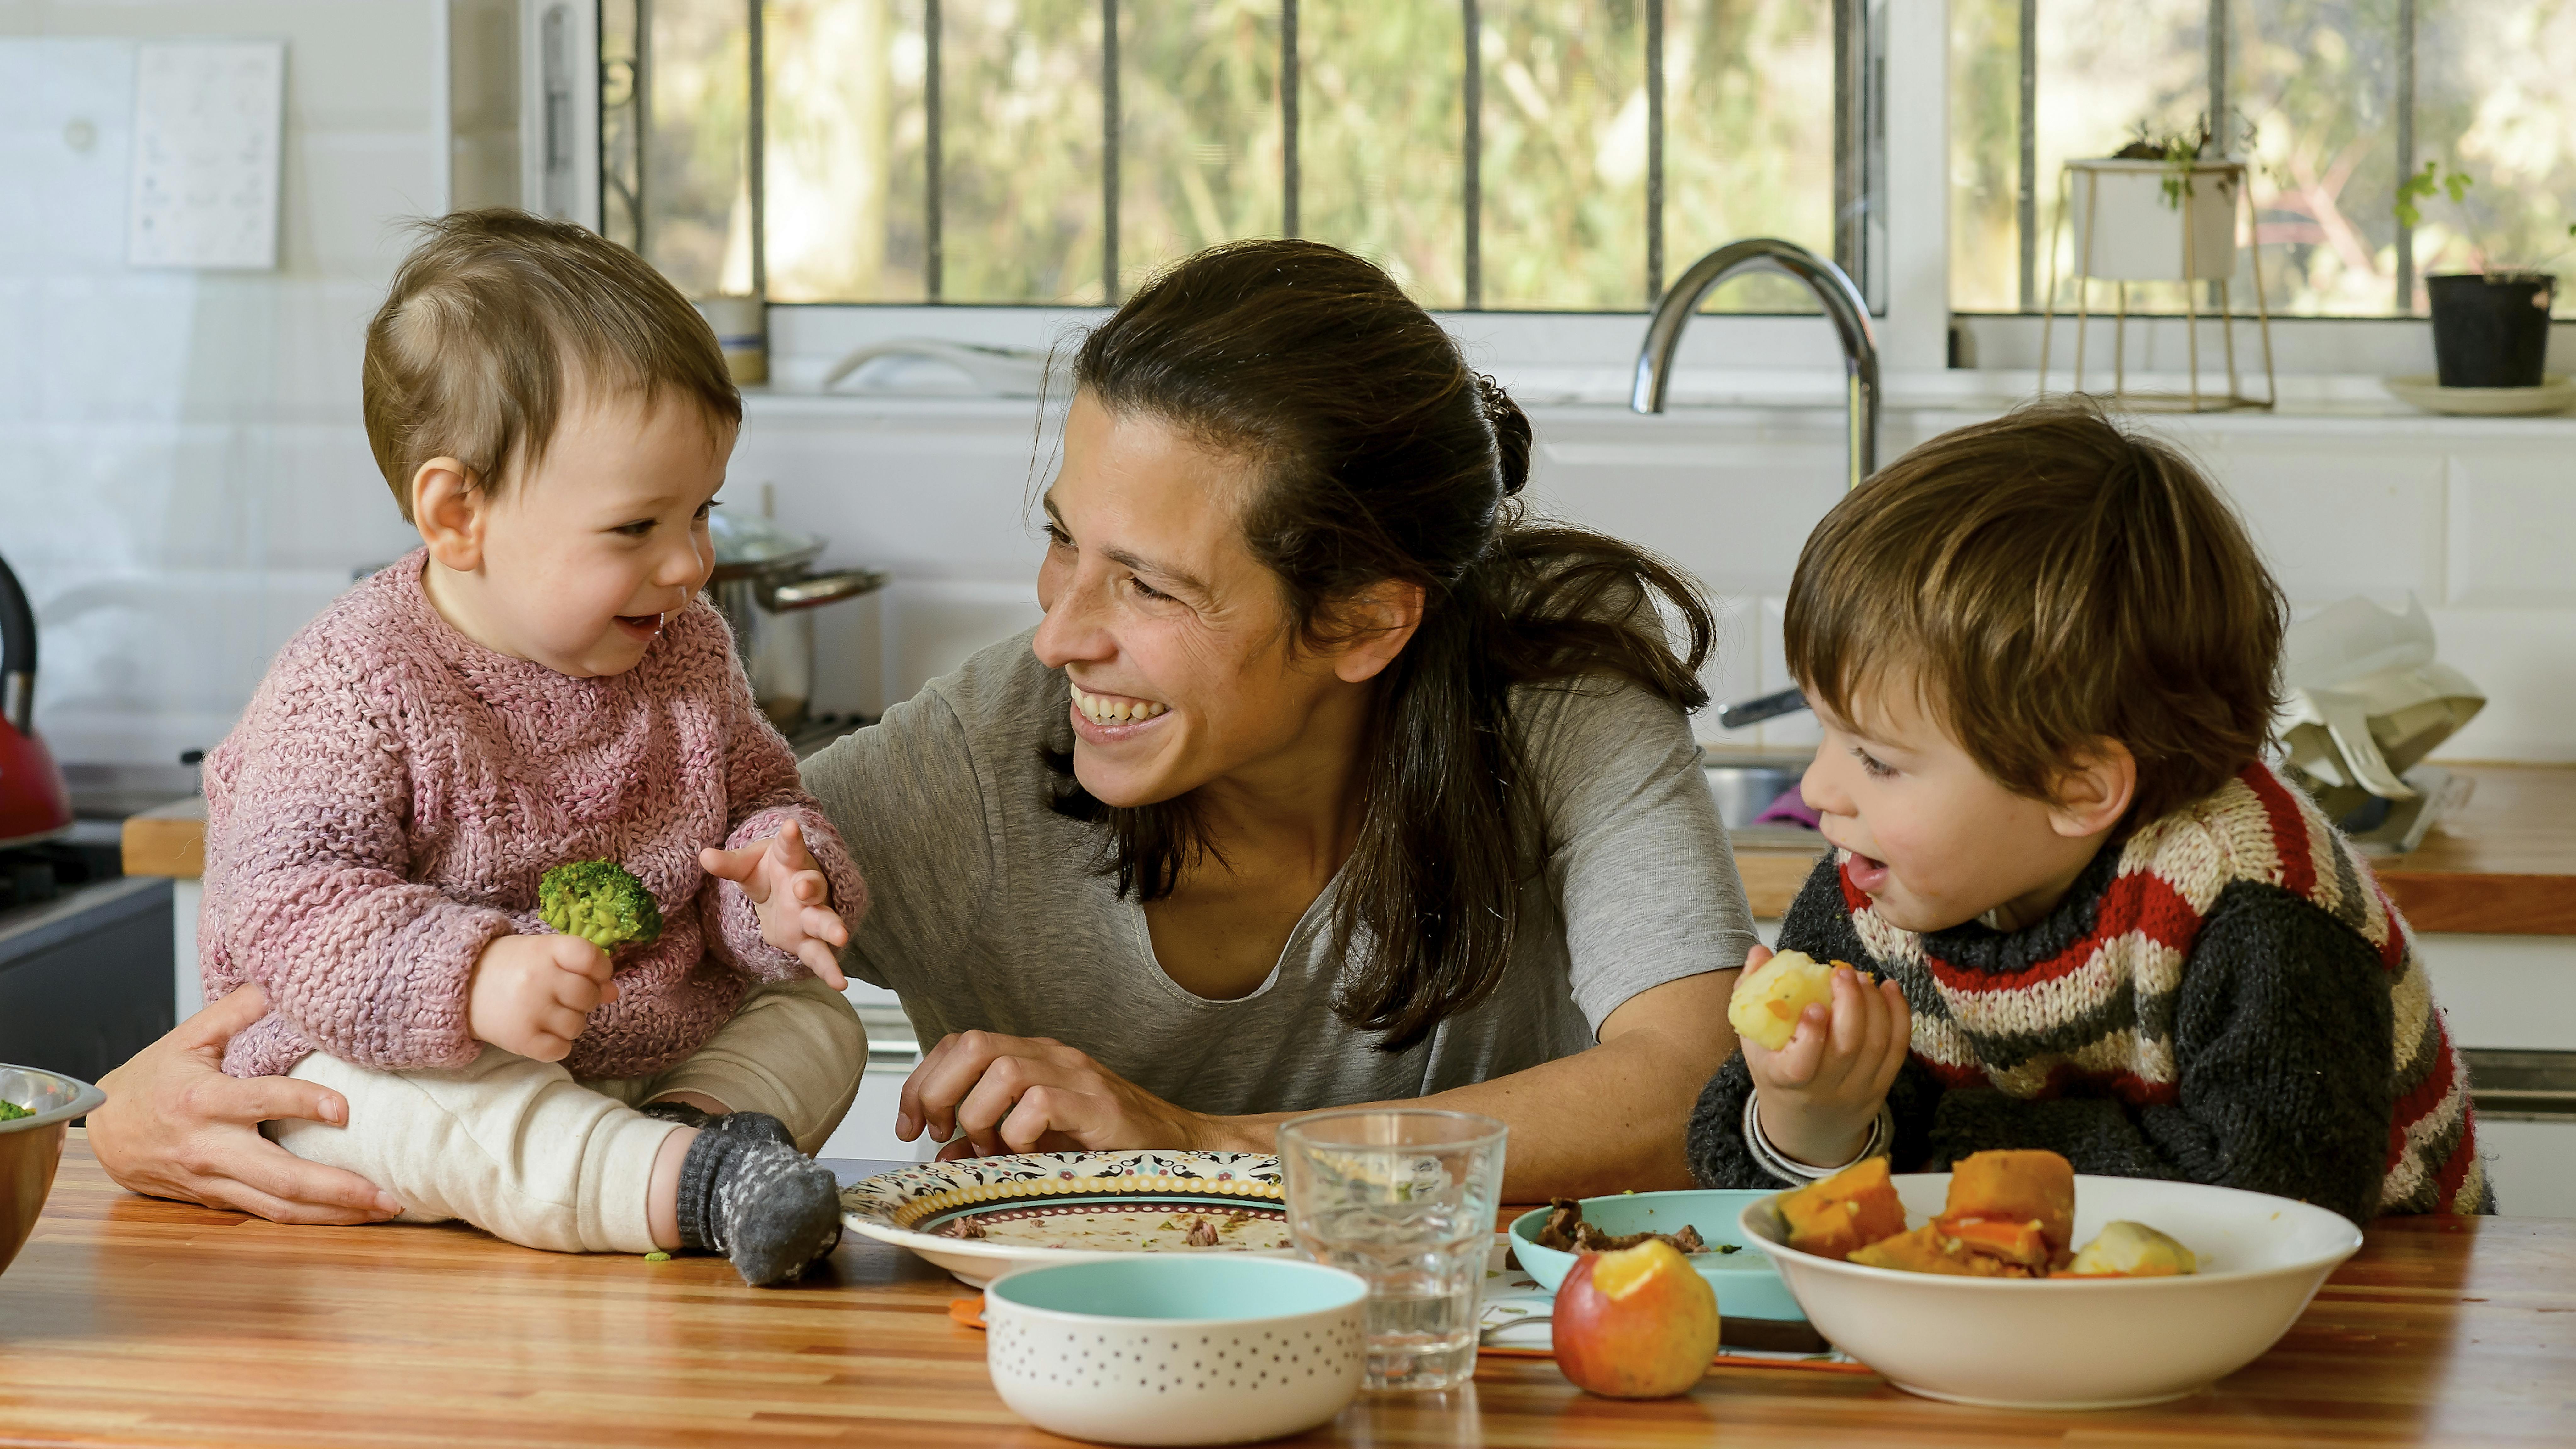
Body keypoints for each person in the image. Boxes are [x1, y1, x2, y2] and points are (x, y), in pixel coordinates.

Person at [94, 237, 1757, 1214]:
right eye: (1063, 539)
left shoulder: (1563, 717)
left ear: (1364, 622)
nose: (1061, 633)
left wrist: (1198, 1148)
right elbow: (681, 881)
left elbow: (1679, 1090)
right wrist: (134, 1115)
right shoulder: (991, 753)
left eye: (1151, 589)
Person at [185, 210, 871, 1284]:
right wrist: (473, 981)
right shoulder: (352, 683)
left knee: (822, 1018)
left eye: (703, 513)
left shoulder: (687, 651)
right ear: (460, 513)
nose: (691, 563)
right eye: (637, 528)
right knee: (367, 1105)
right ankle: (685, 1184)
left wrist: (781, 882)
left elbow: (756, 805)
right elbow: (292, 910)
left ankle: (695, 1146)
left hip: (651, 1057)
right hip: (429, 1068)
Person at [1685, 401, 2490, 1222]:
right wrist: (1809, 1122)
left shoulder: (2257, 907)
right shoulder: (1874, 901)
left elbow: (2270, 1200)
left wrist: (1926, 1134)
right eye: (1824, 730)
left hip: (2367, 1314)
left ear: (2077, 787)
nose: (1819, 791)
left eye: (1878, 761)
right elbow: (1732, 1164)